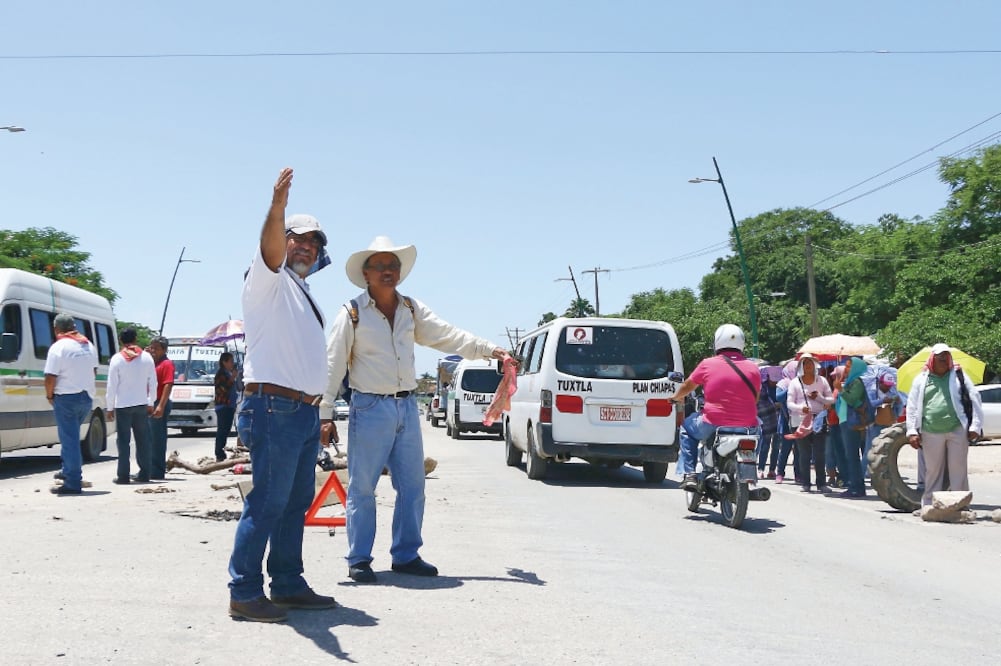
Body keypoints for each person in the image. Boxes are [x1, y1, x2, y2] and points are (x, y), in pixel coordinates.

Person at [320, 235, 509, 584]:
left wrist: (490, 350)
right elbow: (332, 365)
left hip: (406, 407)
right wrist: (325, 413)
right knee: (363, 487)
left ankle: (406, 555)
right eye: (380, 266)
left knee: (413, 486)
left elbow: (449, 336)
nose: (388, 271)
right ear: (366, 274)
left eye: (393, 265)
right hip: (369, 406)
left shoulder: (411, 310)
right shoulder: (352, 313)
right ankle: (359, 558)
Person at [226, 167, 337, 622]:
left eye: (315, 242)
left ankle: (288, 583)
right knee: (269, 501)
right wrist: (277, 209)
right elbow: (270, 247)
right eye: (298, 237)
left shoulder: (303, 291)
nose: (306, 246)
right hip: (273, 406)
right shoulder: (267, 278)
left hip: (303, 412)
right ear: (282, 241)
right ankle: (244, 591)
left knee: (294, 503)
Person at [670, 324, 761, 491]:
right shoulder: (754, 368)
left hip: (713, 422)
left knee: (686, 429)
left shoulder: (708, 364)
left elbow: (687, 386)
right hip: (747, 426)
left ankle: (689, 473)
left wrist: (675, 398)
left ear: (717, 342)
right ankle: (753, 467)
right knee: (759, 429)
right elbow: (755, 398)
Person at [905, 343, 984, 507]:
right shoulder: (921, 379)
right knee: (933, 471)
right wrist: (912, 431)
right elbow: (912, 406)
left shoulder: (958, 376)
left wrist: (975, 426)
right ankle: (928, 506)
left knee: (958, 470)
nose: (943, 360)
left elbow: (974, 398)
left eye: (946, 357)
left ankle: (960, 505)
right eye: (940, 357)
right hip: (930, 431)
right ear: (932, 359)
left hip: (957, 430)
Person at [44, 313, 99, 495]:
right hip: (86, 398)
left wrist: (49, 395)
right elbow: (94, 371)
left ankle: (73, 482)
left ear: (56, 328)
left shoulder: (58, 347)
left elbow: (50, 376)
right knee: (72, 438)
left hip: (66, 398)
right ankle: (68, 470)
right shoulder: (88, 345)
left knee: (70, 441)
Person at [106, 327, 157, 484]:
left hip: (123, 406)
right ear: (135, 339)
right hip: (142, 404)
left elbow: (111, 386)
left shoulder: (117, 359)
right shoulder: (147, 358)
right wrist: (151, 402)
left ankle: (123, 475)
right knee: (143, 441)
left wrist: (109, 407)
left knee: (123, 441)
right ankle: (145, 473)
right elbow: (153, 383)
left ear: (121, 340)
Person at [785, 353, 836, 493]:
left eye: (811, 363)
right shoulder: (795, 382)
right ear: (802, 366)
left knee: (820, 453)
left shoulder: (822, 381)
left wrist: (819, 397)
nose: (808, 366)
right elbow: (789, 403)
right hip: (800, 422)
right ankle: (806, 483)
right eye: (805, 364)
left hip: (819, 420)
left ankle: (821, 483)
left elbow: (831, 400)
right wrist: (801, 408)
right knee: (804, 454)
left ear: (815, 365)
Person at [146, 336, 174, 479]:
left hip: (159, 403)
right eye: (151, 348)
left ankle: (157, 471)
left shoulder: (166, 364)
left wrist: (161, 406)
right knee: (148, 438)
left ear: (164, 349)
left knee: (157, 439)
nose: (153, 351)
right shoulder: (150, 363)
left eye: (156, 348)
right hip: (150, 403)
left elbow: (167, 385)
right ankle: (148, 468)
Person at [213, 351, 238, 462]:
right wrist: (232, 378)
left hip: (230, 405)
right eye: (231, 361)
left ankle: (221, 451)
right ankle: (219, 453)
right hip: (223, 406)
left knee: (226, 430)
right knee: (222, 430)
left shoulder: (228, 373)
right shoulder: (221, 374)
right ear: (224, 362)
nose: (232, 363)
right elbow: (223, 389)